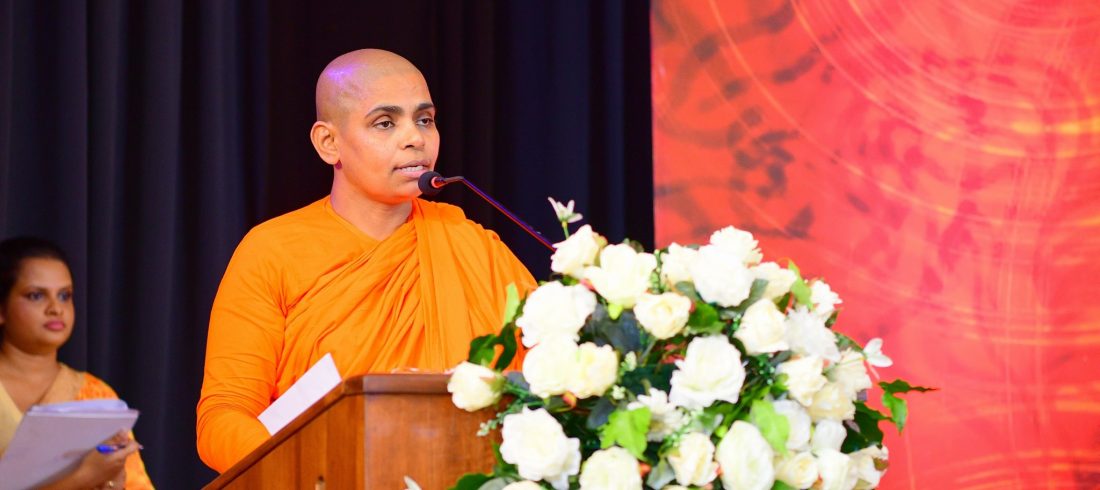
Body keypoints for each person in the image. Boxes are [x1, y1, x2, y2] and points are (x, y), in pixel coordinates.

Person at [196, 49, 536, 472]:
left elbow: (551, 381)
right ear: (329, 143)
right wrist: (316, 470)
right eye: (385, 122)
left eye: (425, 119)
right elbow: (223, 419)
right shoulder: (272, 252)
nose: (415, 138)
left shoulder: (475, 247)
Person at [0, 236, 154, 489]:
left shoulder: (96, 396)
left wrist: (112, 481)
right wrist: (83, 476)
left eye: (64, 296)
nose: (55, 308)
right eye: (36, 295)